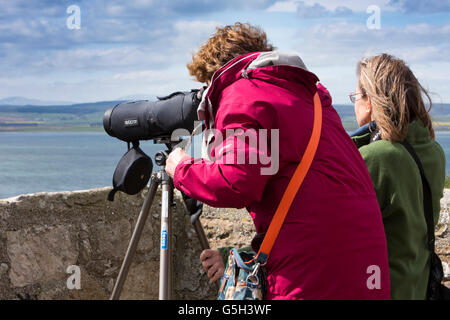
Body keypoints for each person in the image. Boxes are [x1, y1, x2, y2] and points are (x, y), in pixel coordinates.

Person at [165, 22, 390, 299]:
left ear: (217, 74)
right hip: (363, 268)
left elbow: (234, 182)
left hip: (310, 273)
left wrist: (180, 168)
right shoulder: (310, 97)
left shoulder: (243, 94)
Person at [351, 53, 446, 299]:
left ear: (369, 101)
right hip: (418, 285)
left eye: (356, 97)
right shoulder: (434, 151)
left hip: (382, 290)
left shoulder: (374, 157)